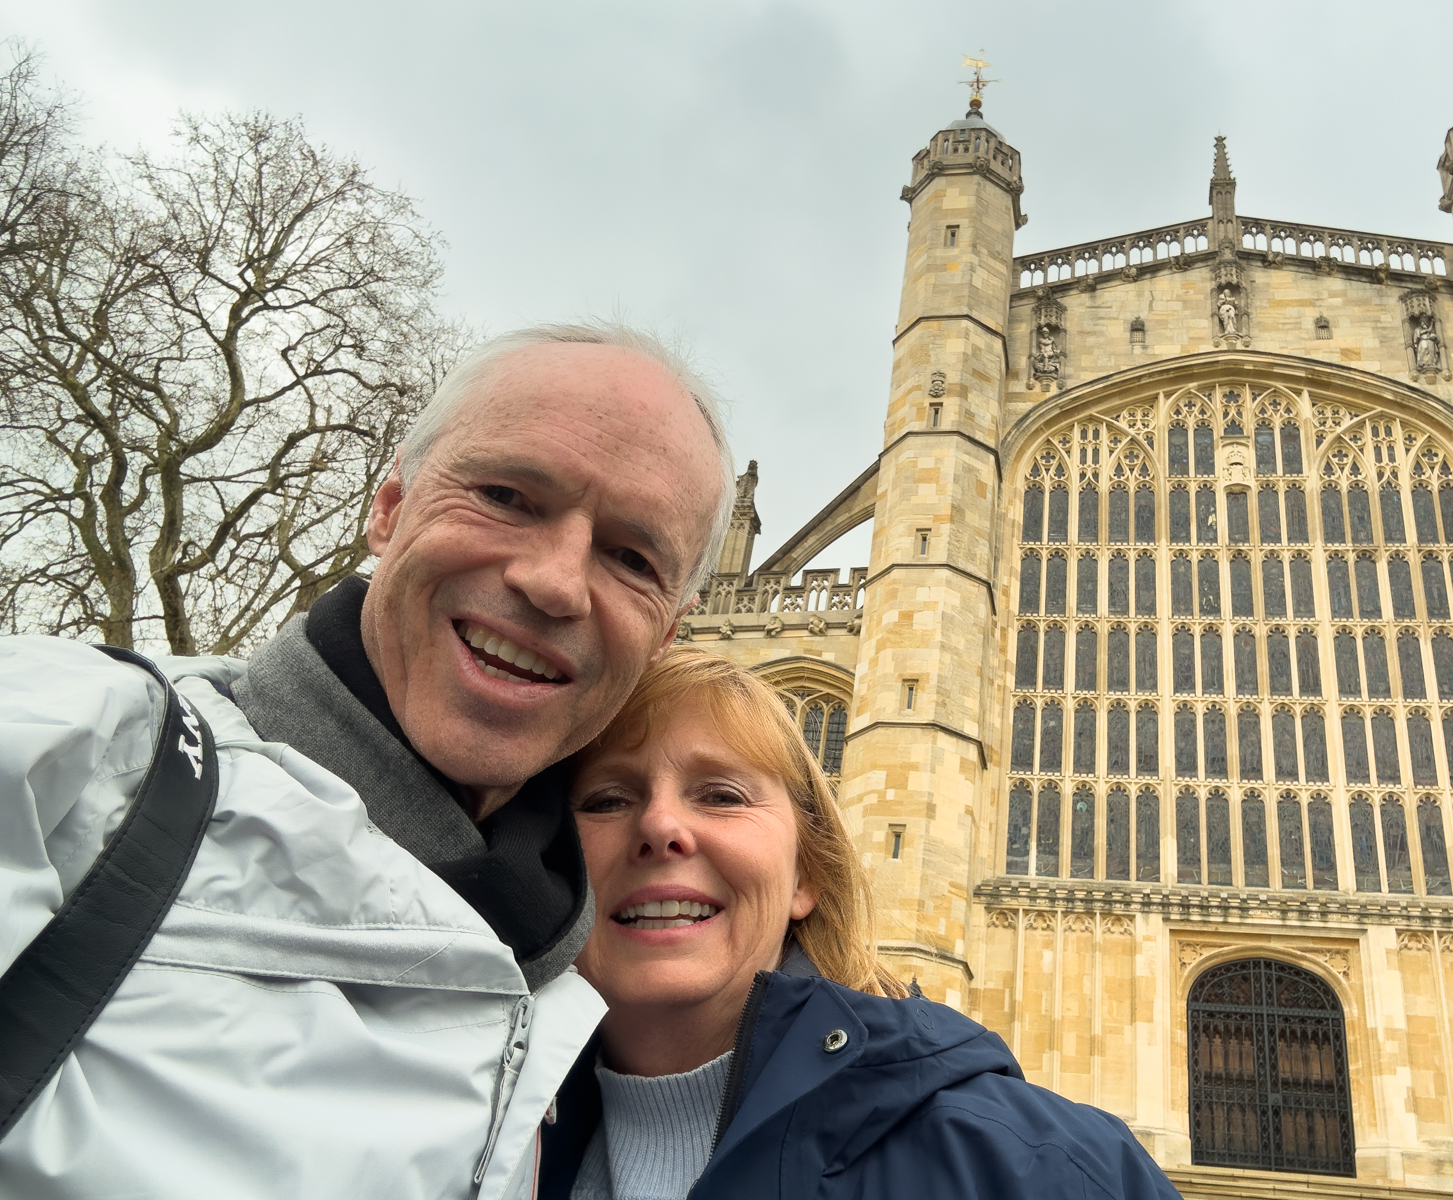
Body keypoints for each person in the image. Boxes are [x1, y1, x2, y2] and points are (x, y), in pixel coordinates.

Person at [0, 323, 735, 1199]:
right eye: (507, 496)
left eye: (631, 556)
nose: (556, 582)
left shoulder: (581, 998)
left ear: (668, 635)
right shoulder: (73, 745)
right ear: (388, 506)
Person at [540, 648, 1179, 1200]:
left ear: (805, 877)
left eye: (722, 795)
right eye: (607, 800)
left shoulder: (1037, 1168)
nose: (659, 828)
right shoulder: (473, 1145)